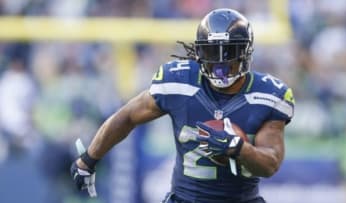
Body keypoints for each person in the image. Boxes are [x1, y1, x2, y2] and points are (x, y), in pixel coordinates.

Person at [70, 8, 295, 203]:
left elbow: (270, 163)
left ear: (245, 53)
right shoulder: (180, 82)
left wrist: (238, 148)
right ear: (198, 53)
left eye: (229, 53)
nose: (220, 64)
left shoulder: (267, 95)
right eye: (211, 53)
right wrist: (88, 159)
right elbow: (128, 116)